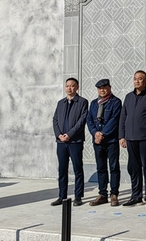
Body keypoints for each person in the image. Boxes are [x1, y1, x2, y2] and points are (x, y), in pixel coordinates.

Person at [119, 70, 146, 207]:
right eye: (135, 79)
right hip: (131, 138)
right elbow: (123, 117)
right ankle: (135, 196)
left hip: (145, 138)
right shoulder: (128, 97)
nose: (137, 81)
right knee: (133, 167)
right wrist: (122, 136)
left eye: (140, 79)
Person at [51, 77, 89, 207]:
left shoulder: (82, 102)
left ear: (77, 87)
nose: (69, 88)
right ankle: (62, 196)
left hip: (75, 141)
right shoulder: (60, 103)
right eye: (67, 86)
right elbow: (55, 120)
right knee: (62, 170)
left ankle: (78, 196)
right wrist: (59, 135)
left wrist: (70, 134)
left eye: (72, 86)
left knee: (78, 169)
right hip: (61, 142)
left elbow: (81, 121)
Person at [86, 78, 122, 206]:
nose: (102, 90)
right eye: (100, 88)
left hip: (111, 140)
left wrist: (103, 134)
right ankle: (102, 194)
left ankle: (114, 194)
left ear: (110, 88)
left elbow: (114, 120)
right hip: (97, 141)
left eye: (104, 88)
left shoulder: (116, 102)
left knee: (113, 167)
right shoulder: (94, 103)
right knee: (101, 168)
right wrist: (95, 133)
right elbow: (89, 119)